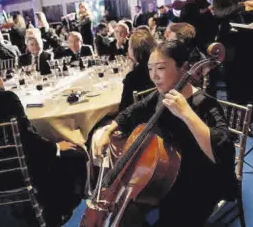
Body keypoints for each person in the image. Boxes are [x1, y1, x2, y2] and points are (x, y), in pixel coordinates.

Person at [92, 40, 236, 227]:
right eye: (150, 69)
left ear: (183, 67)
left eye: (160, 68)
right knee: (130, 212)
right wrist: (108, 130)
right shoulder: (162, 95)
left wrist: (187, 113)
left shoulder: (204, 103)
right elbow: (132, 112)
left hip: (199, 180)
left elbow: (223, 153)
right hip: (165, 175)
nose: (154, 76)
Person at [0, 49, 85, 225]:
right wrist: (55, 147)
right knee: (75, 155)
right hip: (17, 172)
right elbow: (29, 140)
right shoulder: (6, 99)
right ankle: (57, 213)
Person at [118, 30, 155, 112]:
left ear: (133, 50)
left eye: (129, 46)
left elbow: (123, 109)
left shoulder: (133, 77)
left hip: (139, 120)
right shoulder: (158, 68)